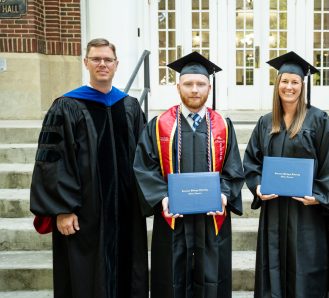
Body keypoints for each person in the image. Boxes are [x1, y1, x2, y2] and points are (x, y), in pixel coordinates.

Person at [30, 38, 149, 298]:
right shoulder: (66, 106)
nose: (102, 64)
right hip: (83, 215)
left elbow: (144, 159)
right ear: (86, 63)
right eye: (96, 59)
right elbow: (51, 162)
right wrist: (62, 209)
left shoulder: (129, 106)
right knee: (84, 280)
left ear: (116, 65)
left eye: (107, 60)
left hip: (125, 213)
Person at [133, 51, 244, 298]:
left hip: (211, 219)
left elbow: (233, 169)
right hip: (174, 218)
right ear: (178, 86)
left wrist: (224, 196)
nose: (195, 90)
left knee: (212, 279)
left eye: (200, 84)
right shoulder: (159, 124)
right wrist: (162, 197)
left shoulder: (223, 126)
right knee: (171, 278)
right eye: (189, 84)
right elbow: (144, 167)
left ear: (209, 87)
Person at [242, 51, 329, 298]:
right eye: (284, 81)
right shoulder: (266, 122)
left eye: (294, 82)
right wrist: (257, 187)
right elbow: (251, 161)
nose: (289, 87)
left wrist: (318, 195)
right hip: (274, 210)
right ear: (277, 85)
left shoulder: (318, 119)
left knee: (306, 271)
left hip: (306, 213)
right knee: (273, 269)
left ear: (302, 85)